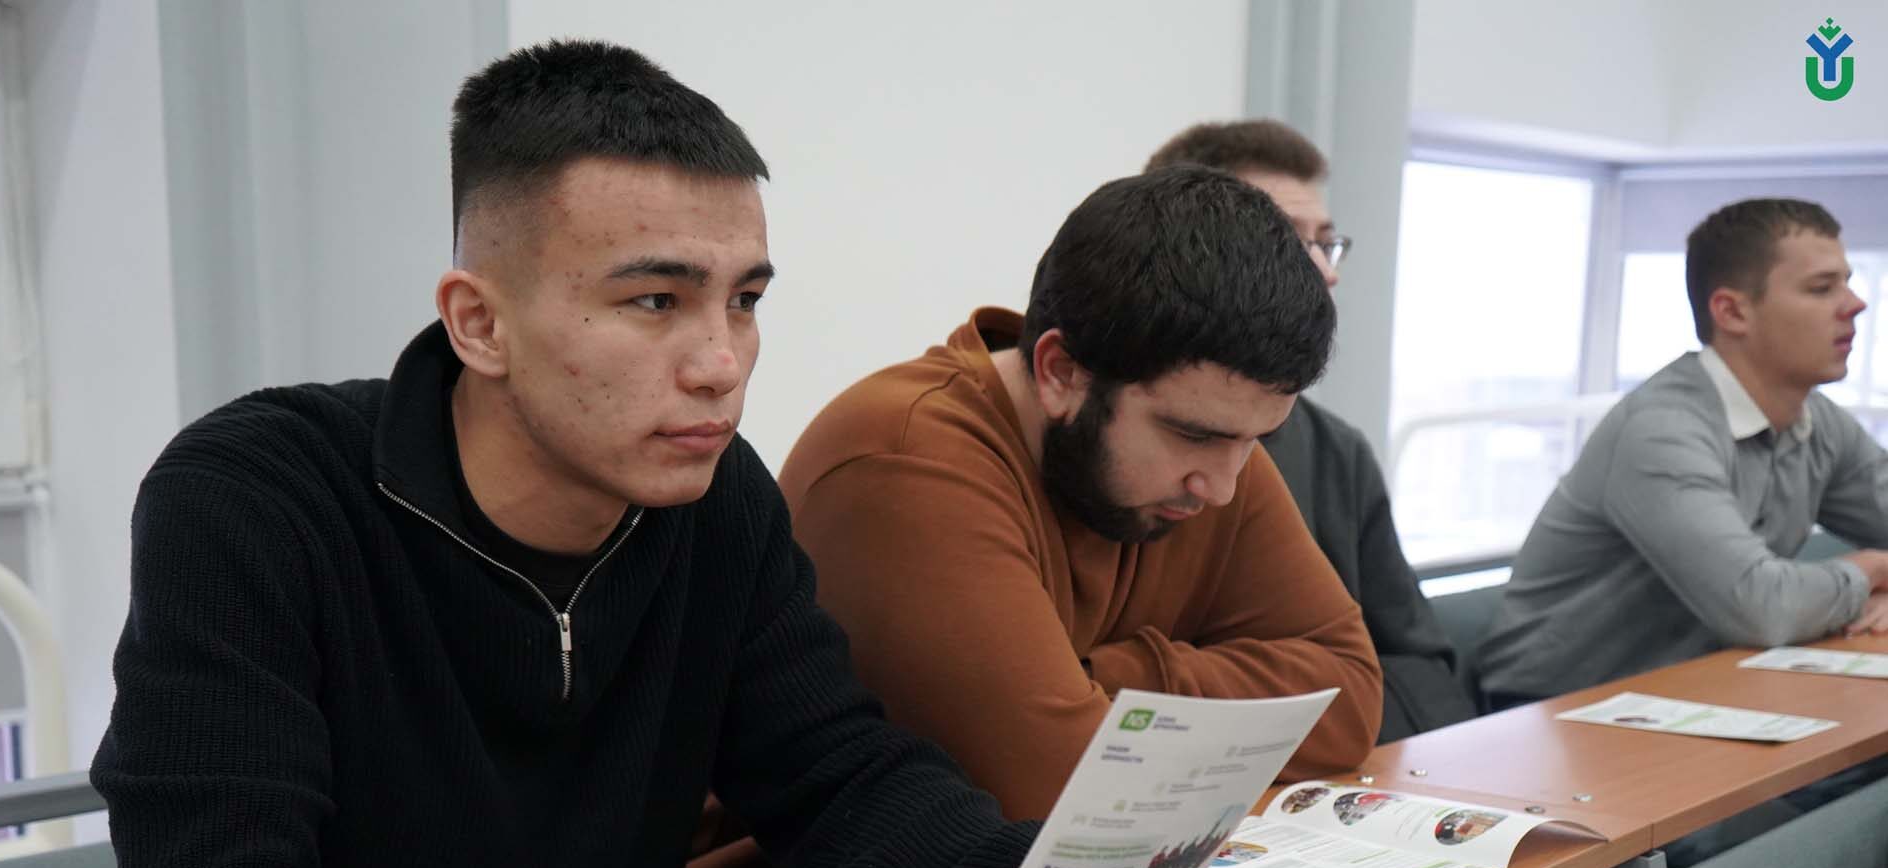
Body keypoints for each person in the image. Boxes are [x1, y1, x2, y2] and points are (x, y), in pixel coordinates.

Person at [52, 40, 1207, 868]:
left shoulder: (713, 502)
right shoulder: (254, 500)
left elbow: (839, 780)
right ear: (479, 323)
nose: (720, 362)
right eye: (655, 299)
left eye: (743, 301)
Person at [779, 166, 1383, 822]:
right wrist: (1189, 708)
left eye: (1256, 439)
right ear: (1060, 372)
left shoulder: (1211, 442)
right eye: (1193, 435)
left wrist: (1107, 681)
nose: (1222, 487)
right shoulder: (905, 462)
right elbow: (1070, 794)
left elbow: (1349, 698)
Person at [1477, 197, 1888, 705]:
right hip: (1553, 713)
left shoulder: (1817, 420)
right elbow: (1763, 608)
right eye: (1822, 289)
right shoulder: (1662, 429)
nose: (1855, 304)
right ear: (1732, 312)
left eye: (1848, 283)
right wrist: (1872, 569)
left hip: (1702, 690)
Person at [1144, 120, 1478, 741]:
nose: (1325, 271)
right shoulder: (1108, 442)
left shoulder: (1336, 451)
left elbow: (1419, 669)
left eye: (1326, 243)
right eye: (1286, 241)